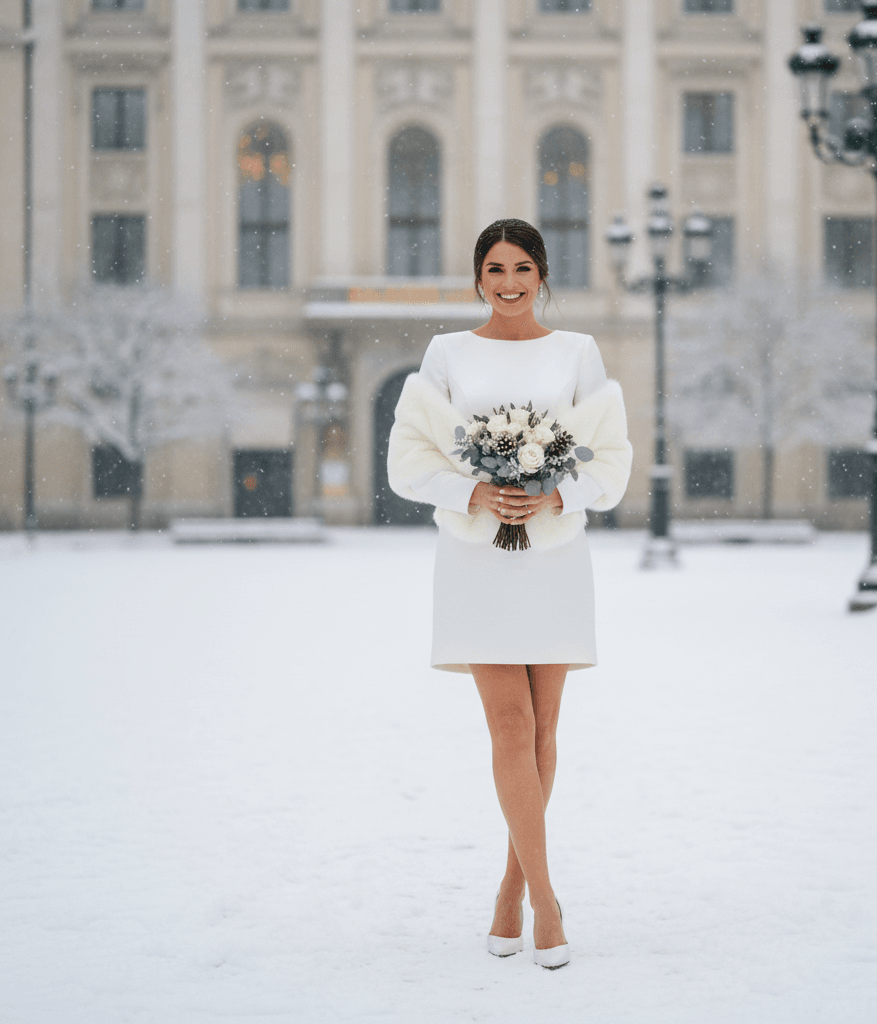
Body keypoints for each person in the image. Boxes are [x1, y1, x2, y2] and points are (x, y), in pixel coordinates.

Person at [388, 219, 632, 969]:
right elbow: (407, 460)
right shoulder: (446, 354)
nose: (509, 281)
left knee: (545, 729)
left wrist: (557, 491)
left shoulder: (578, 353)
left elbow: (612, 460)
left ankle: (507, 890)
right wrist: (476, 490)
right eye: (495, 267)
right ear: (477, 276)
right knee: (508, 722)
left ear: (544, 273)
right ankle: (545, 901)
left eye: (522, 267)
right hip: (474, 559)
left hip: (555, 558)